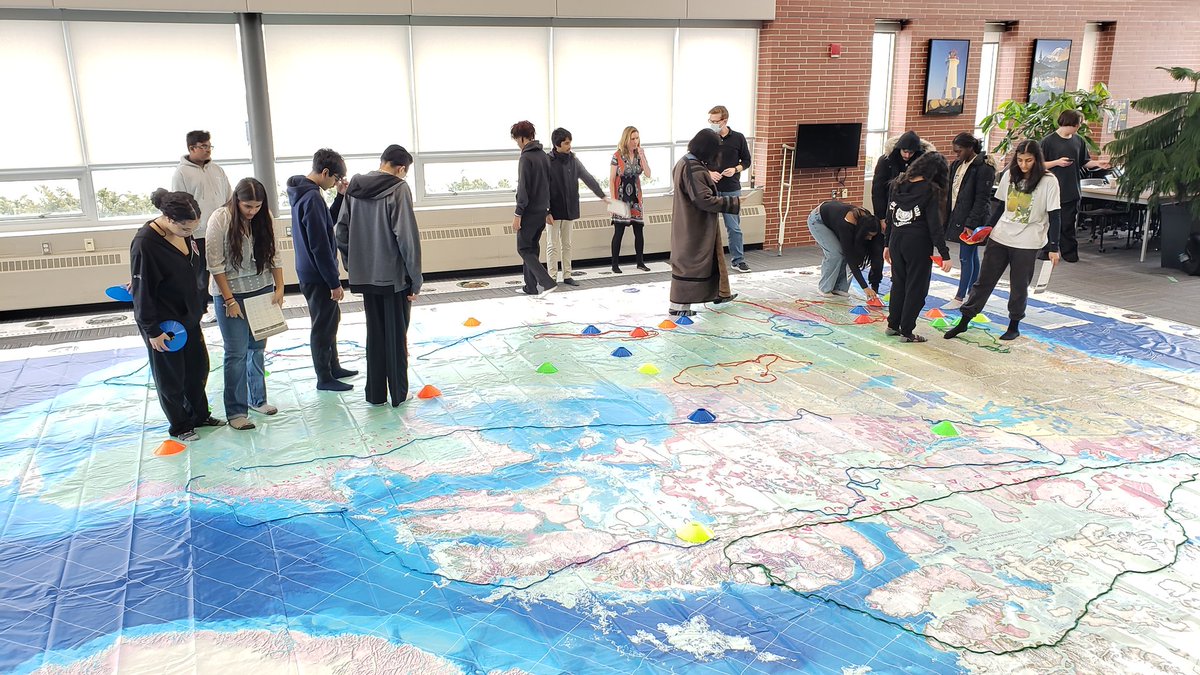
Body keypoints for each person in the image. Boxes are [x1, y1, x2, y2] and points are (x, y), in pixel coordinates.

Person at [130, 189, 224, 442]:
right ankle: (180, 425)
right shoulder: (146, 243)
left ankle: (199, 415)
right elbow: (142, 290)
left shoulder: (186, 235)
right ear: (169, 219)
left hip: (188, 314)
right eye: (185, 229)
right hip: (163, 320)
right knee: (171, 375)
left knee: (198, 367)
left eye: (193, 229)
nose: (189, 233)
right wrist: (152, 330)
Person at [945, 141, 1062, 342]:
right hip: (1001, 236)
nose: (1024, 165)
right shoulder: (1010, 175)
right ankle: (964, 321)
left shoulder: (1048, 181)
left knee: (1019, 286)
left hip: (1028, 241)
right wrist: (987, 228)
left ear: (1037, 160)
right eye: (1020, 160)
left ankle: (1014, 325)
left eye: (1029, 161)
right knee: (984, 281)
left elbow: (1055, 215)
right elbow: (999, 206)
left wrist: (1054, 246)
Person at [336, 145, 423, 406]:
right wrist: (415, 278)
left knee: (374, 335)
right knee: (396, 337)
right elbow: (406, 237)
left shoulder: (354, 188)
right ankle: (398, 394)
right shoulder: (399, 188)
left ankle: (375, 395)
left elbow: (341, 231)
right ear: (401, 169)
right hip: (394, 277)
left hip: (366, 277)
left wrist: (354, 266)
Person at [207, 178, 283, 430]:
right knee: (236, 352)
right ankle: (236, 411)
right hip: (231, 294)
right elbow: (215, 264)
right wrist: (229, 300)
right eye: (247, 206)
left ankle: (258, 400)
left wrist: (280, 287)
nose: (252, 211)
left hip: (261, 290)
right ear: (236, 200)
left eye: (257, 206)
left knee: (257, 347)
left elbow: (274, 253)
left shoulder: (264, 217)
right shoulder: (220, 219)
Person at [287, 148, 357, 392]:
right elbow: (319, 245)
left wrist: (339, 197)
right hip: (317, 274)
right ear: (325, 172)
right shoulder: (312, 197)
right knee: (322, 325)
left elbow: (326, 222)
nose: (335, 182)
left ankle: (333, 366)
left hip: (310, 270)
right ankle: (324, 377)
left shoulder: (304, 193)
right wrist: (333, 282)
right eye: (335, 179)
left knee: (330, 319)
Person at [667, 129, 741, 317]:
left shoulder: (684, 161)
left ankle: (718, 293)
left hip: (687, 222)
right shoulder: (694, 167)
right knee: (691, 262)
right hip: (694, 226)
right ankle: (680, 306)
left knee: (695, 260)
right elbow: (703, 199)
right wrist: (733, 202)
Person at [884, 151, 952, 342]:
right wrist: (944, 253)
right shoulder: (930, 189)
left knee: (898, 284)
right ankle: (907, 331)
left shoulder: (898, 183)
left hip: (897, 239)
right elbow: (934, 225)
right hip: (918, 243)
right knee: (916, 288)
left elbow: (890, 216)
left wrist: (886, 244)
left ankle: (892, 324)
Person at [171, 130, 232, 322]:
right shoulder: (181, 173)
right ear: (192, 148)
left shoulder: (217, 170)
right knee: (201, 275)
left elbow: (229, 197)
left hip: (223, 230)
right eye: (203, 146)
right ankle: (200, 312)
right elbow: (179, 204)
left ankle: (223, 305)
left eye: (209, 146)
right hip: (198, 233)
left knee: (225, 270)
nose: (208, 150)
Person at [1041, 109, 1107, 263]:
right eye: (1078, 124)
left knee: (1068, 223)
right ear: (1071, 123)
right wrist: (1057, 162)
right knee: (1049, 223)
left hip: (1071, 189)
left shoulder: (1079, 141)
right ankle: (1047, 251)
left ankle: (1069, 253)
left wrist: (1097, 163)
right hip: (1052, 189)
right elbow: (1039, 164)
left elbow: (1085, 162)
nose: (1079, 127)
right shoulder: (1048, 141)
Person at [547, 127, 607, 286]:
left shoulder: (573, 160)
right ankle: (551, 277)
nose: (569, 146)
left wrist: (601, 195)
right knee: (552, 245)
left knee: (567, 244)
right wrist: (546, 211)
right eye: (566, 143)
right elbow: (542, 188)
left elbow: (587, 177)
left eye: (570, 142)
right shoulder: (548, 161)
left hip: (570, 208)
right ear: (557, 144)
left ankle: (567, 275)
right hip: (553, 210)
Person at [944, 133, 998, 310]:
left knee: (965, 257)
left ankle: (960, 297)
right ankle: (971, 293)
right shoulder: (957, 164)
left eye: (959, 151)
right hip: (958, 214)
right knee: (971, 256)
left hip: (972, 219)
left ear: (970, 148)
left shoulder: (983, 167)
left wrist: (971, 224)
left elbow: (982, 199)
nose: (956, 154)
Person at [510, 121, 557, 296]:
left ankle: (546, 282)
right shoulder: (544, 156)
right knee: (532, 248)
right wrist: (548, 210)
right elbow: (549, 186)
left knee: (523, 249)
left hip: (529, 212)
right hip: (541, 211)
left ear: (522, 138)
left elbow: (523, 188)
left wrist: (518, 214)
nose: (517, 144)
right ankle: (530, 287)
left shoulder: (526, 157)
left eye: (516, 140)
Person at [805, 200, 882, 301]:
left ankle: (840, 288)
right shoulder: (846, 225)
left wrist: (874, 287)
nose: (870, 239)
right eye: (868, 236)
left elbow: (876, 257)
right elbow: (850, 257)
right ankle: (825, 287)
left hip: (833, 217)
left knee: (850, 253)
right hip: (818, 219)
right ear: (862, 231)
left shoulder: (868, 221)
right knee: (835, 253)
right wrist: (865, 287)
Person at [708, 105, 753, 272]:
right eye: (710, 121)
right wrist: (709, 172)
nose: (712, 124)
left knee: (734, 227)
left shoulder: (738, 138)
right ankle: (707, 262)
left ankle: (738, 260)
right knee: (707, 227)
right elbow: (696, 161)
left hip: (731, 187)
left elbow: (747, 161)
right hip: (710, 188)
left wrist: (735, 169)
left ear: (724, 121)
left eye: (715, 121)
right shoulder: (707, 138)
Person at [610, 126, 652, 273]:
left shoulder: (640, 155)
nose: (635, 141)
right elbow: (611, 179)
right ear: (626, 139)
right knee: (619, 231)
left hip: (635, 196)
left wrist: (643, 157)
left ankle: (640, 262)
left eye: (637, 138)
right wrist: (613, 200)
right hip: (621, 196)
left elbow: (647, 174)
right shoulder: (617, 155)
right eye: (632, 138)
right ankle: (615, 264)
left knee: (639, 230)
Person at [871, 131, 930, 226]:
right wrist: (881, 217)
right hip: (889, 207)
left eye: (911, 153)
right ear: (899, 148)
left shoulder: (922, 162)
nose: (907, 155)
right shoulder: (886, 161)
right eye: (905, 151)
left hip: (914, 211)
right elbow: (878, 191)